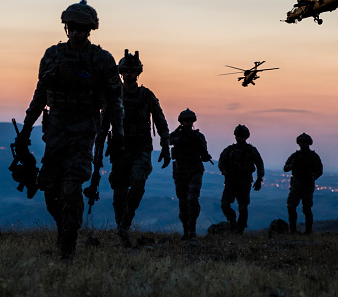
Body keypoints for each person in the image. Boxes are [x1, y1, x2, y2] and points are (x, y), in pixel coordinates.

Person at [19, 0, 124, 259]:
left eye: (82, 28)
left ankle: (69, 243)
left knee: (71, 186)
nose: (76, 32)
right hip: (55, 129)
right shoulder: (52, 55)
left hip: (85, 129)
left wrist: (118, 134)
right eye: (72, 27)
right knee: (50, 188)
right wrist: (26, 128)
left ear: (90, 30)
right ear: (67, 28)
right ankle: (63, 228)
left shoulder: (101, 60)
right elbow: (41, 93)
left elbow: (115, 100)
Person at [97, 49, 170, 246]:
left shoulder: (146, 95)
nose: (129, 74)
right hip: (120, 149)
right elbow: (103, 125)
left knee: (138, 180)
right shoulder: (114, 96)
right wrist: (97, 150)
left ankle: (125, 223)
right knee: (119, 191)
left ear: (138, 73)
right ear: (121, 73)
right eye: (126, 71)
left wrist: (165, 145)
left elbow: (161, 121)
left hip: (142, 148)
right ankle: (122, 228)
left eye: (133, 71)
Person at [170, 108, 212, 240]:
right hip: (180, 171)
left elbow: (204, 154)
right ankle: (186, 231)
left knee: (192, 199)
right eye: (185, 121)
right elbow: (167, 141)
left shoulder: (198, 136)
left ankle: (192, 228)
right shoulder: (175, 136)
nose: (188, 123)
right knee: (182, 202)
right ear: (181, 122)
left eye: (190, 120)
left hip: (194, 170)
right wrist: (179, 134)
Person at [218, 124, 264, 234]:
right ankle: (233, 221)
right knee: (225, 204)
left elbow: (259, 164)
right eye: (238, 136)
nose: (240, 138)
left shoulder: (251, 150)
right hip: (231, 181)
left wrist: (259, 179)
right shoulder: (229, 150)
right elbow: (221, 162)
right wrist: (225, 172)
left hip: (244, 181)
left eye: (242, 136)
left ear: (246, 137)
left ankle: (240, 229)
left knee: (243, 207)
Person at [284, 133, 323, 234]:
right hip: (296, 186)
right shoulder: (295, 156)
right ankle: (292, 230)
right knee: (291, 206)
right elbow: (286, 168)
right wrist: (292, 165)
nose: (303, 144)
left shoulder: (313, 157)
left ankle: (308, 231)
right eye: (301, 142)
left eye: (305, 142)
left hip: (307, 186)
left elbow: (319, 170)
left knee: (307, 209)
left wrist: (312, 178)